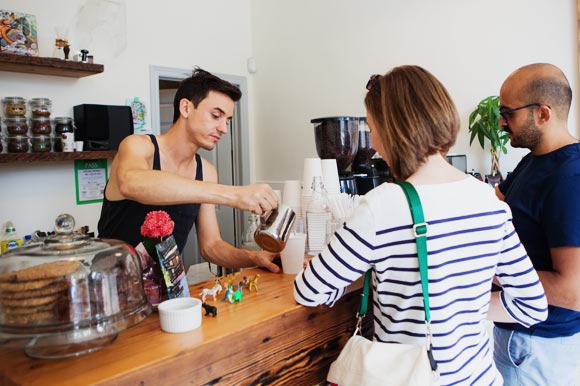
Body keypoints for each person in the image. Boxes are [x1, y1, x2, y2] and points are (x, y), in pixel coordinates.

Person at [294, 65, 548, 385]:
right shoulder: (490, 202)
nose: (372, 140)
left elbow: (308, 290)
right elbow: (532, 307)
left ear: (392, 129)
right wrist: (460, 310)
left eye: (372, 127)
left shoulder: (381, 205)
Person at [98, 67, 281, 273]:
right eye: (216, 116)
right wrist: (233, 194)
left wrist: (254, 257)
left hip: (166, 296)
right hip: (112, 291)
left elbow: (211, 246)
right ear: (186, 108)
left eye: (227, 120)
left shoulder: (207, 172)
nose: (224, 128)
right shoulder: (138, 146)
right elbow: (132, 183)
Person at [493, 63, 580, 385]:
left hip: (540, 348)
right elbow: (493, 202)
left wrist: (485, 268)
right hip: (520, 337)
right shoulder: (534, 160)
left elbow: (573, 291)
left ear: (543, 113)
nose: (501, 122)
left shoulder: (569, 178)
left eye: (508, 113)